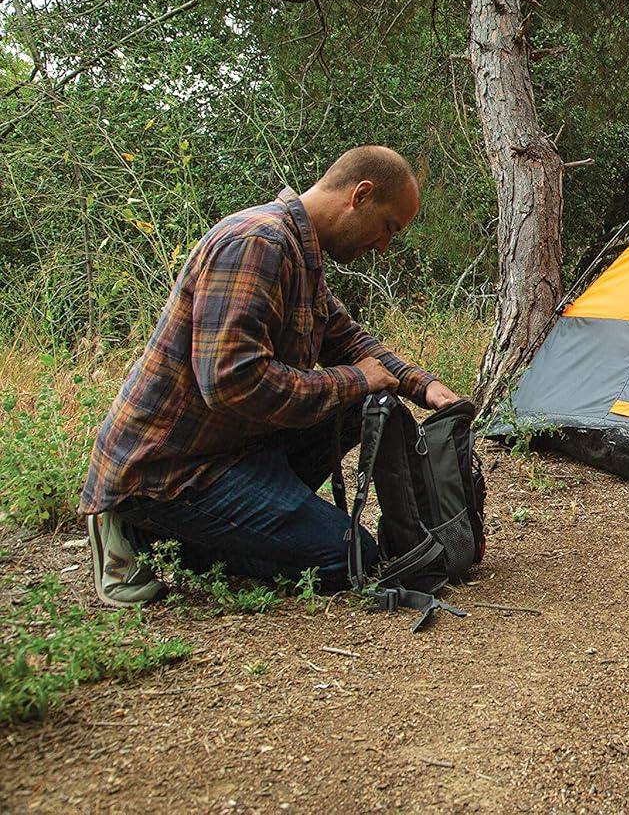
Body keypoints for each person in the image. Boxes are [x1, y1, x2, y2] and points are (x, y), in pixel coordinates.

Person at [79, 145, 462, 606]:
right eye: (388, 228)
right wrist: (355, 380)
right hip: (174, 474)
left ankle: (261, 513)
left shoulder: (302, 254)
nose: (383, 246)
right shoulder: (257, 243)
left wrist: (424, 386)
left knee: (367, 402)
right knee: (352, 558)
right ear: (360, 195)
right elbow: (229, 381)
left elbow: (348, 341)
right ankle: (136, 531)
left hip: (236, 449)